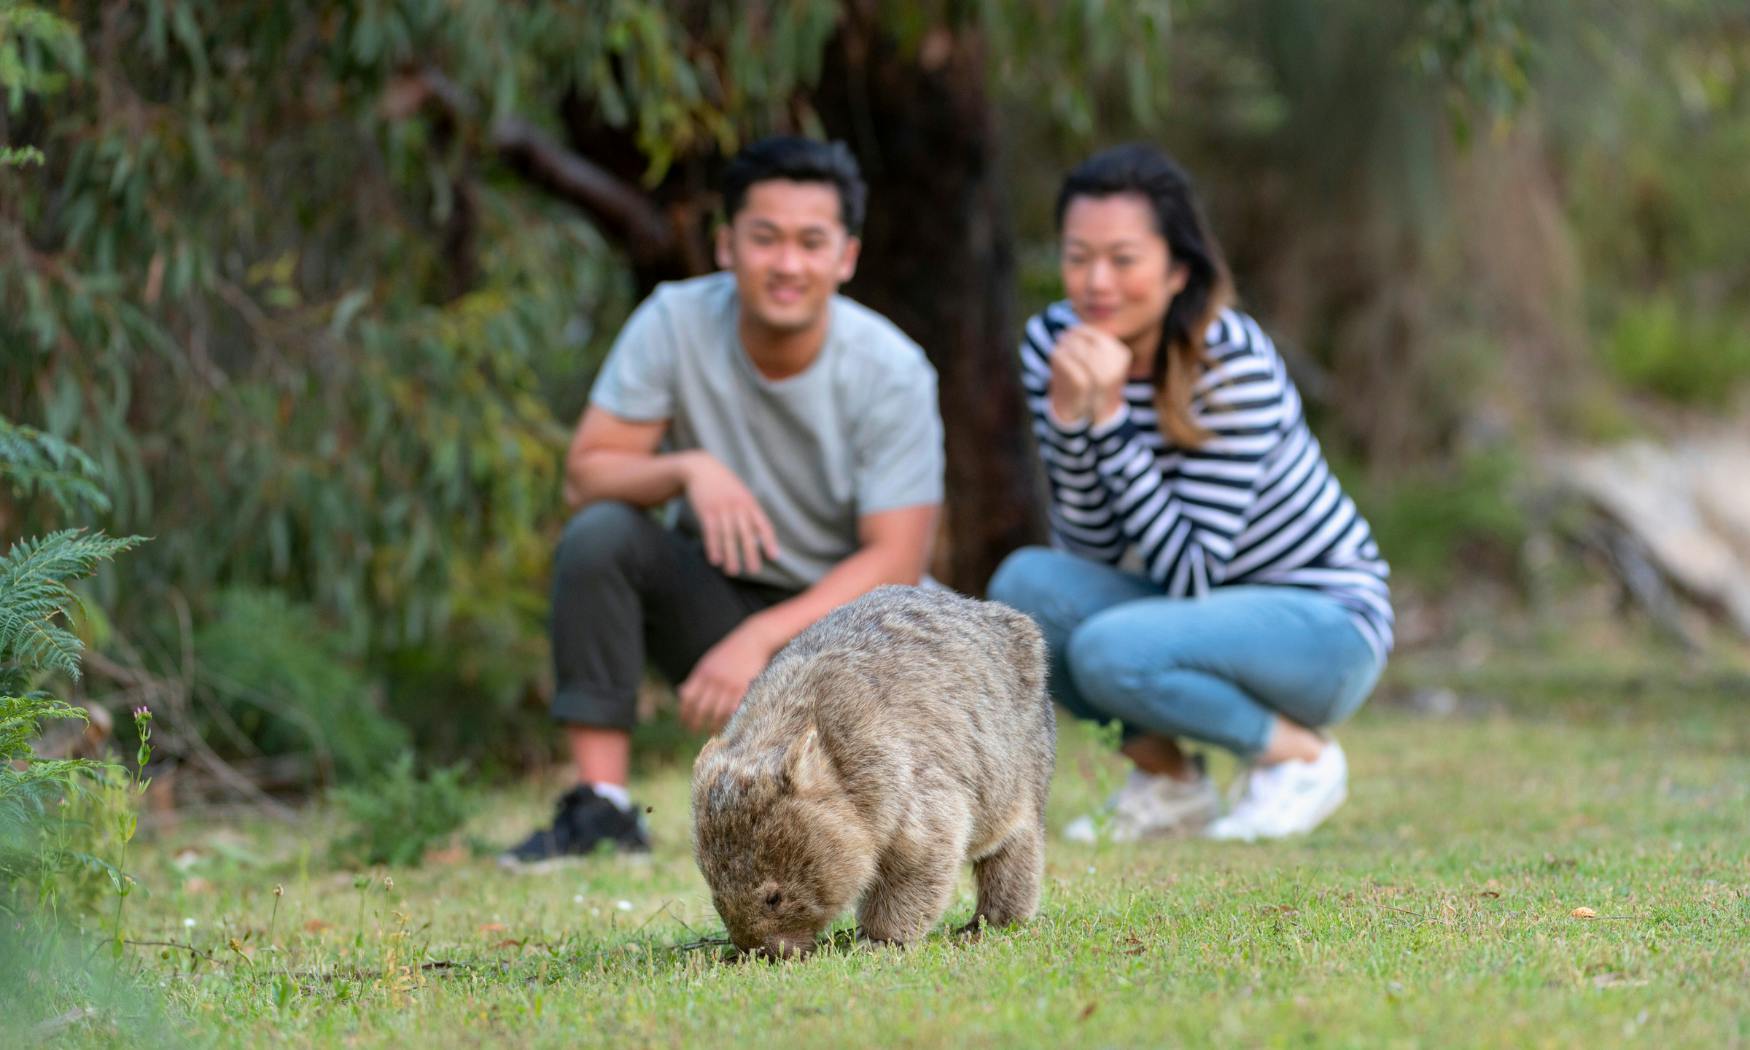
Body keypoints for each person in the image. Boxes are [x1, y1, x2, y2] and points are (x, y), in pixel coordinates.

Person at [500, 137, 945, 870]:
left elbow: (896, 559)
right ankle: (602, 812)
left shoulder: (891, 370)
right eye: (765, 238)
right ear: (725, 246)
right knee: (602, 534)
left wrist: (762, 640)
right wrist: (687, 468)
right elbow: (586, 475)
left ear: (846, 257)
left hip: (855, 631)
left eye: (811, 242)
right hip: (714, 603)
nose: (787, 263)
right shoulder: (673, 322)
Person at [988, 144, 1393, 843]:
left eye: (1123, 259)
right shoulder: (1055, 343)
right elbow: (1090, 550)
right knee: (1025, 593)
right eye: (1078, 257)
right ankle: (1171, 783)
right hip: (1199, 614)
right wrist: (1069, 423)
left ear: (1178, 269)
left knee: (1112, 648)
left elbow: (1190, 571)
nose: (1096, 282)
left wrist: (1109, 420)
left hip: (1325, 625)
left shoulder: (1229, 362)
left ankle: (1299, 756)